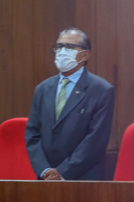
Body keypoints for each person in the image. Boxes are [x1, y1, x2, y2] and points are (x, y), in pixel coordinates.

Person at [25, 28, 116, 180]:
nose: (61, 52)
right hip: (46, 178)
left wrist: (62, 171)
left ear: (85, 55)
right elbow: (32, 133)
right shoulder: (42, 89)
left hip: (83, 178)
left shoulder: (101, 90)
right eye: (58, 46)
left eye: (69, 47)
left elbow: (96, 140)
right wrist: (44, 169)